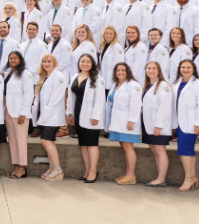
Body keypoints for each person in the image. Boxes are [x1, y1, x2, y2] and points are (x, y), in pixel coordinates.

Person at [66, 54, 106, 184]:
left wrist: (96, 116)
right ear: (79, 63)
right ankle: (87, 170)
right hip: (77, 113)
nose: (85, 64)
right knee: (83, 144)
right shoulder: (74, 77)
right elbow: (70, 97)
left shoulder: (97, 79)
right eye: (82, 61)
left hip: (91, 116)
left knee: (92, 143)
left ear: (92, 64)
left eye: (88, 61)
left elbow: (100, 100)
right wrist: (70, 113)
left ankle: (93, 171)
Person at [171, 59, 199, 191]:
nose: (185, 69)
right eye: (183, 67)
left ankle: (188, 179)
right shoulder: (176, 83)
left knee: (184, 150)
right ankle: (192, 176)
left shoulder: (198, 84)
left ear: (193, 69)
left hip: (191, 123)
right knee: (188, 150)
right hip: (179, 122)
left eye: (188, 67)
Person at [106, 62, 143, 185]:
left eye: (123, 70)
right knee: (124, 147)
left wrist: (132, 120)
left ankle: (131, 175)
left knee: (128, 147)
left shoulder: (134, 85)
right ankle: (128, 174)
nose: (120, 72)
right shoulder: (115, 85)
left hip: (127, 122)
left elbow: (136, 104)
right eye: (118, 70)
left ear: (128, 71)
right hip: (117, 121)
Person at [32, 54, 67, 181]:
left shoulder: (59, 77)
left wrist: (46, 114)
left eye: (49, 61)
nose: (46, 64)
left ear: (55, 63)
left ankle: (57, 169)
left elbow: (55, 99)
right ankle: (52, 167)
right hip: (44, 115)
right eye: (44, 62)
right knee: (49, 141)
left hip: (51, 116)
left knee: (45, 141)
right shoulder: (44, 76)